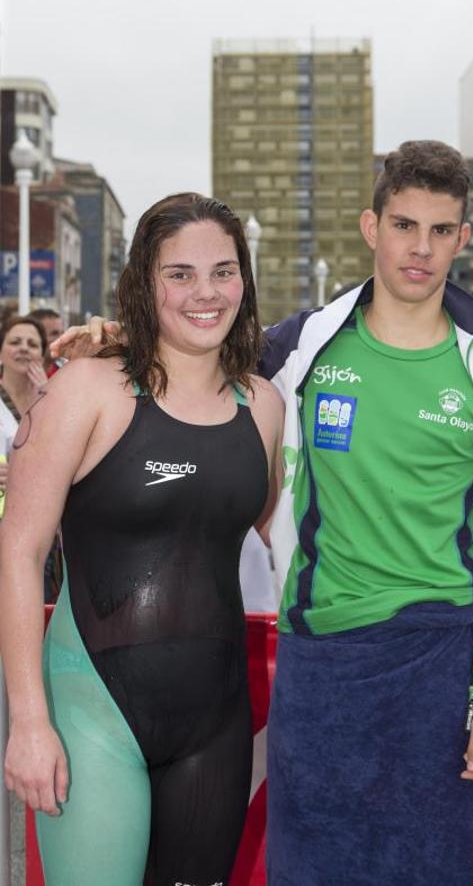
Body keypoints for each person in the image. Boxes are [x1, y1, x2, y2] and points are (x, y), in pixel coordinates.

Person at [52, 143, 473, 885]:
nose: (420, 249)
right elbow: (200, 352)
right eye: (403, 225)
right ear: (370, 226)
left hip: (443, 662)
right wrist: (122, 335)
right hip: (321, 662)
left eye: (441, 229)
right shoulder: (305, 348)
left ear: (463, 237)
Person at [0, 193, 283, 886]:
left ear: (245, 281)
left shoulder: (265, 404)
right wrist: (29, 723)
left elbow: (292, 545)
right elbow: (17, 552)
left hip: (214, 726)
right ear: (144, 284)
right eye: (180, 274)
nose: (205, 292)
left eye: (223, 271)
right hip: (92, 711)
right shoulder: (86, 391)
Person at [0, 315, 48, 510]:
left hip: (40, 513)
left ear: (43, 356)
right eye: (15, 342)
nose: (24, 348)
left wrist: (48, 397)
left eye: (33, 344)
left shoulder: (56, 399)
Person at [29, 308, 65, 375]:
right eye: (54, 333)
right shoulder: (18, 377)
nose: (62, 339)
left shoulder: (65, 374)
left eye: (62, 333)